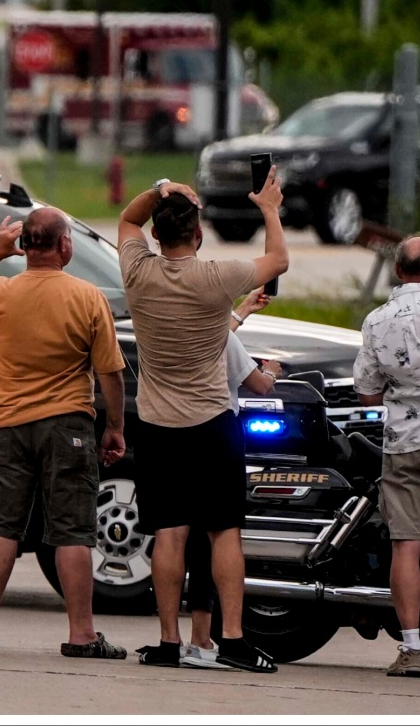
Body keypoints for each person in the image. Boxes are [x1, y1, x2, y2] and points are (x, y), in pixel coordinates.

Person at [117, 171, 288, 673]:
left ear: (157, 235)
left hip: (156, 423)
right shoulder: (216, 277)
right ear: (198, 235)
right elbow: (278, 260)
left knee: (169, 532)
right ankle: (230, 639)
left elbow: (128, 218)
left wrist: (161, 187)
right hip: (211, 421)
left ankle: (170, 642)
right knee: (223, 531)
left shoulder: (137, 272)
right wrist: (270, 208)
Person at [0, 208, 128, 659]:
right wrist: (114, 426)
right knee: (72, 533)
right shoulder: (88, 297)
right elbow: (110, 373)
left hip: (5, 427)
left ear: (24, 247)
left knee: (0, 528)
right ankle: (81, 634)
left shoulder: (0, 293)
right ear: (65, 246)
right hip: (68, 425)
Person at [354, 235, 420, 679]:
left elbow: (368, 389)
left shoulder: (376, 320)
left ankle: (411, 649)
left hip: (403, 442)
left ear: (396, 272)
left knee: (405, 546)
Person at [182, 289, 281, 670]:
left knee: (181, 534)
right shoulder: (223, 337)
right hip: (216, 432)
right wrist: (272, 369)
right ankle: (232, 639)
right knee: (222, 533)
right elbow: (258, 385)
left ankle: (184, 639)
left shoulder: (169, 326)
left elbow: (216, 332)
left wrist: (242, 311)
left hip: (173, 431)